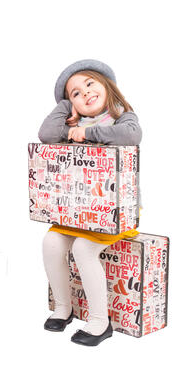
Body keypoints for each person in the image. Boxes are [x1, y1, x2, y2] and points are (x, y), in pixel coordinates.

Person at [38, 59, 142, 346]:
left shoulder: (122, 118)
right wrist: (65, 108)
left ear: (107, 86)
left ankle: (99, 322)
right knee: (51, 243)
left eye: (89, 84)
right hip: (76, 211)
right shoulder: (71, 124)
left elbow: (133, 136)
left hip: (114, 211)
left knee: (84, 248)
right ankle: (64, 307)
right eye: (74, 93)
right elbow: (46, 135)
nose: (84, 93)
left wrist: (89, 133)